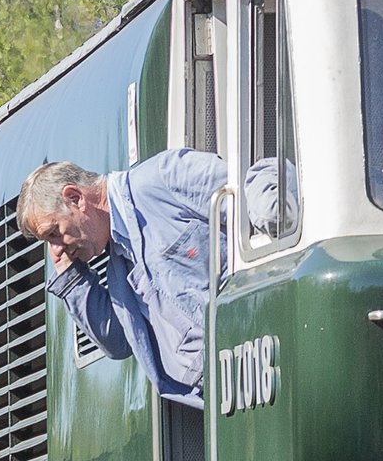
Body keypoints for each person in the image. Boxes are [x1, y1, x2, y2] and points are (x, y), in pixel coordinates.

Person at [19, 150, 292, 407]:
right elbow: (118, 343)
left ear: (75, 198)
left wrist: (274, 213)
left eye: (53, 233)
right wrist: (72, 279)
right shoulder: (117, 264)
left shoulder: (164, 177)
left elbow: (257, 180)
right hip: (226, 395)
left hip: (265, 362)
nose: (56, 250)